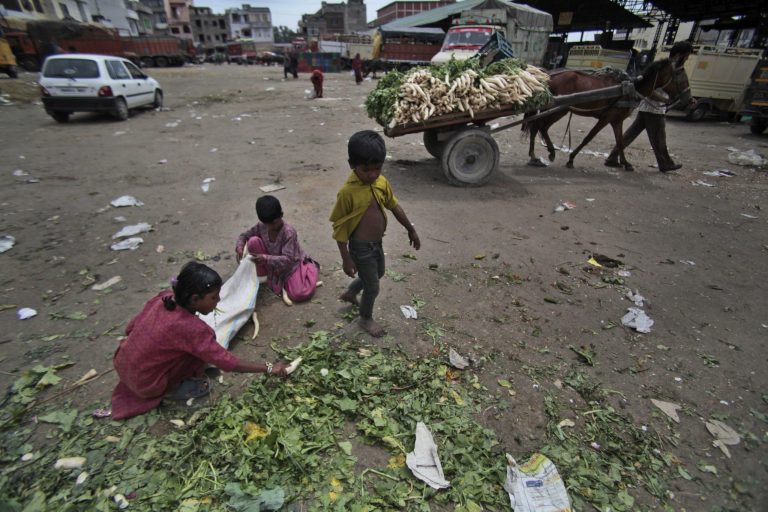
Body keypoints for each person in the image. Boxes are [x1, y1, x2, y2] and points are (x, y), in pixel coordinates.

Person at [110, 262, 289, 420]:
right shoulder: (191, 329)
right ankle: (172, 391)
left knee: (184, 350)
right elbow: (226, 362)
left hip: (123, 363)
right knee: (199, 359)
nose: (218, 301)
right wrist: (269, 368)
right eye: (213, 297)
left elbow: (130, 328)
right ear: (195, 299)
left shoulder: (163, 299)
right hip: (146, 384)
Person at [329, 130, 420, 337]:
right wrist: (346, 258)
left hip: (377, 244)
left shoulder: (381, 183)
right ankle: (365, 318)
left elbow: (394, 206)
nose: (372, 174)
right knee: (373, 287)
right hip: (360, 248)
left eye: (377, 168)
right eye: (366, 170)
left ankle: (351, 292)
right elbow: (340, 228)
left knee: (378, 274)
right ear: (352, 165)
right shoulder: (347, 193)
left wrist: (411, 229)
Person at [605, 41, 694, 173]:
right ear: (679, 55)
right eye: (686, 56)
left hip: (648, 107)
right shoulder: (666, 69)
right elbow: (648, 89)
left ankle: (613, 157)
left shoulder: (669, 67)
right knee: (659, 138)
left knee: (630, 135)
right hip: (654, 108)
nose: (687, 58)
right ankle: (665, 163)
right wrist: (665, 100)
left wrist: (687, 98)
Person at [235, 195, 319, 304]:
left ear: (281, 215)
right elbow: (244, 236)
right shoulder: (261, 226)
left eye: (274, 222)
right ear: (263, 221)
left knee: (300, 294)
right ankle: (271, 276)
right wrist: (239, 247)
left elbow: (288, 260)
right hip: (269, 264)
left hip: (289, 266)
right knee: (253, 241)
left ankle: (308, 268)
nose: (271, 227)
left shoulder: (288, 232)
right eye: (267, 224)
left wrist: (266, 258)